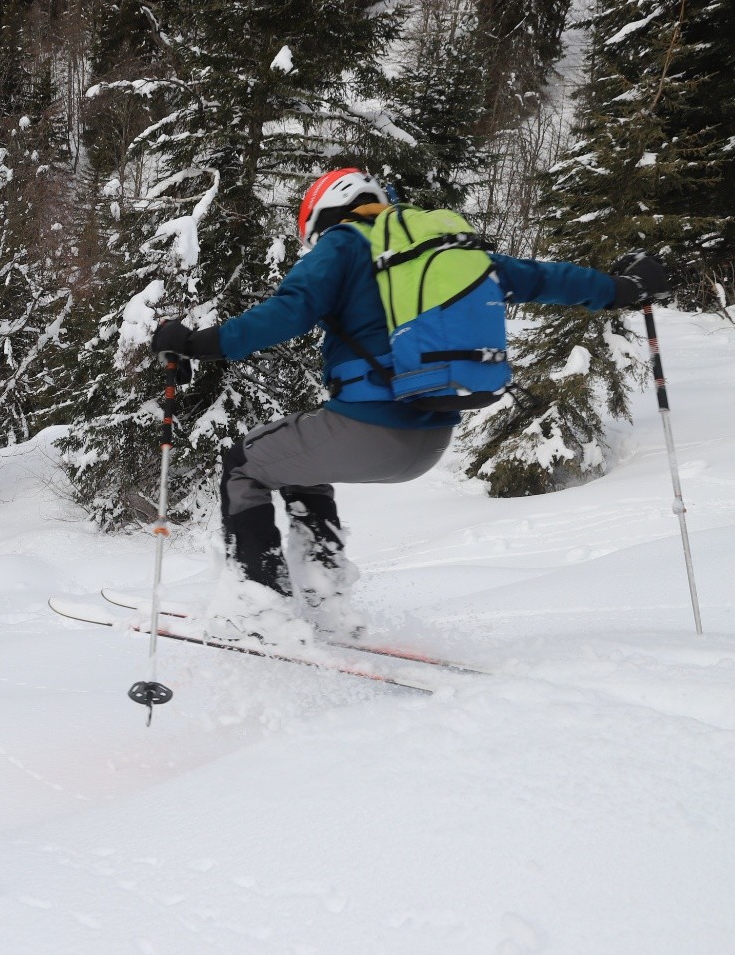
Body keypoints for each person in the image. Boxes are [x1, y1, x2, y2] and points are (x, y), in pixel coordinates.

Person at [150, 167, 670, 642]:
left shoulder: (344, 244)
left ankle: (258, 610)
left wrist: (197, 342)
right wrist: (622, 288)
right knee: (298, 467)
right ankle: (323, 598)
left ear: (322, 214)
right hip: (429, 439)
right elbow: (542, 278)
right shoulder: (445, 250)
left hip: (370, 432)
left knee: (243, 464)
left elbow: (291, 311)